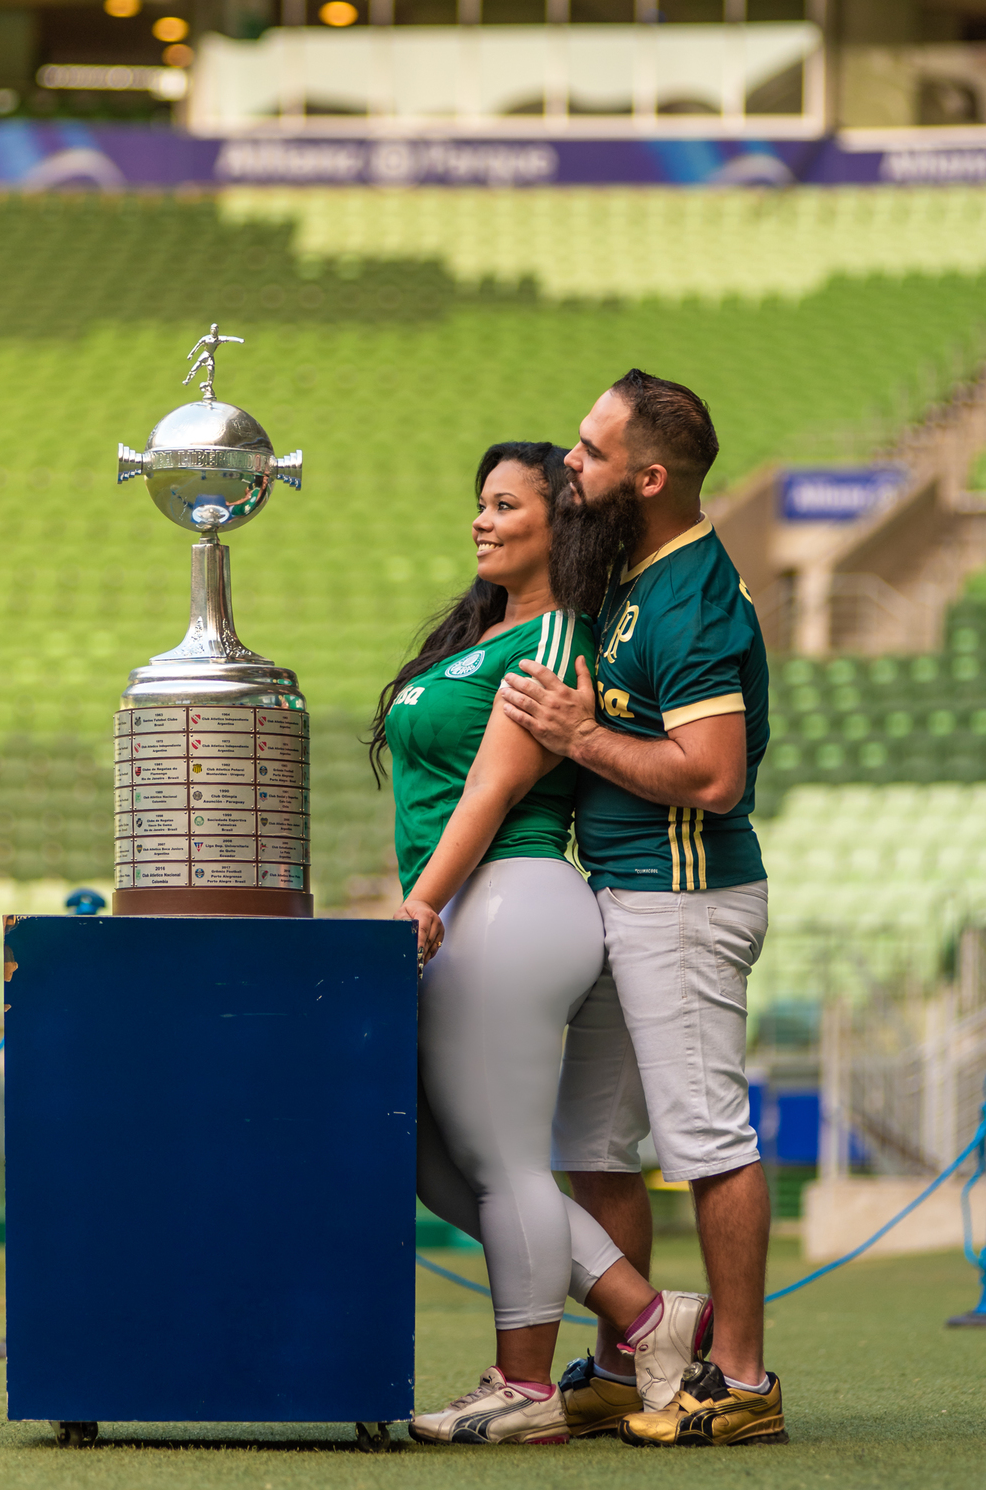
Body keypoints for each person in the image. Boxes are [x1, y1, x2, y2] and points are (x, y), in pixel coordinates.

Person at [373, 440, 712, 1447]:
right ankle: (651, 1319)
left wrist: (419, 903)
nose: (481, 519)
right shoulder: (491, 632)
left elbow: (493, 789)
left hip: (511, 898)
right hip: (476, 906)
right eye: (479, 503)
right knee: (439, 1166)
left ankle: (523, 1386)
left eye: (504, 504)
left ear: (557, 523)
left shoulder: (559, 636)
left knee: (505, 1161)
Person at [499, 369, 785, 1449]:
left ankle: (743, 1378)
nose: (569, 464)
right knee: (593, 1142)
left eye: (590, 451)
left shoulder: (693, 597)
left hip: (686, 896)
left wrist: (577, 737)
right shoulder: (628, 573)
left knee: (707, 1137)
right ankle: (633, 1361)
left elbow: (712, 775)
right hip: (624, 892)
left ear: (649, 477)